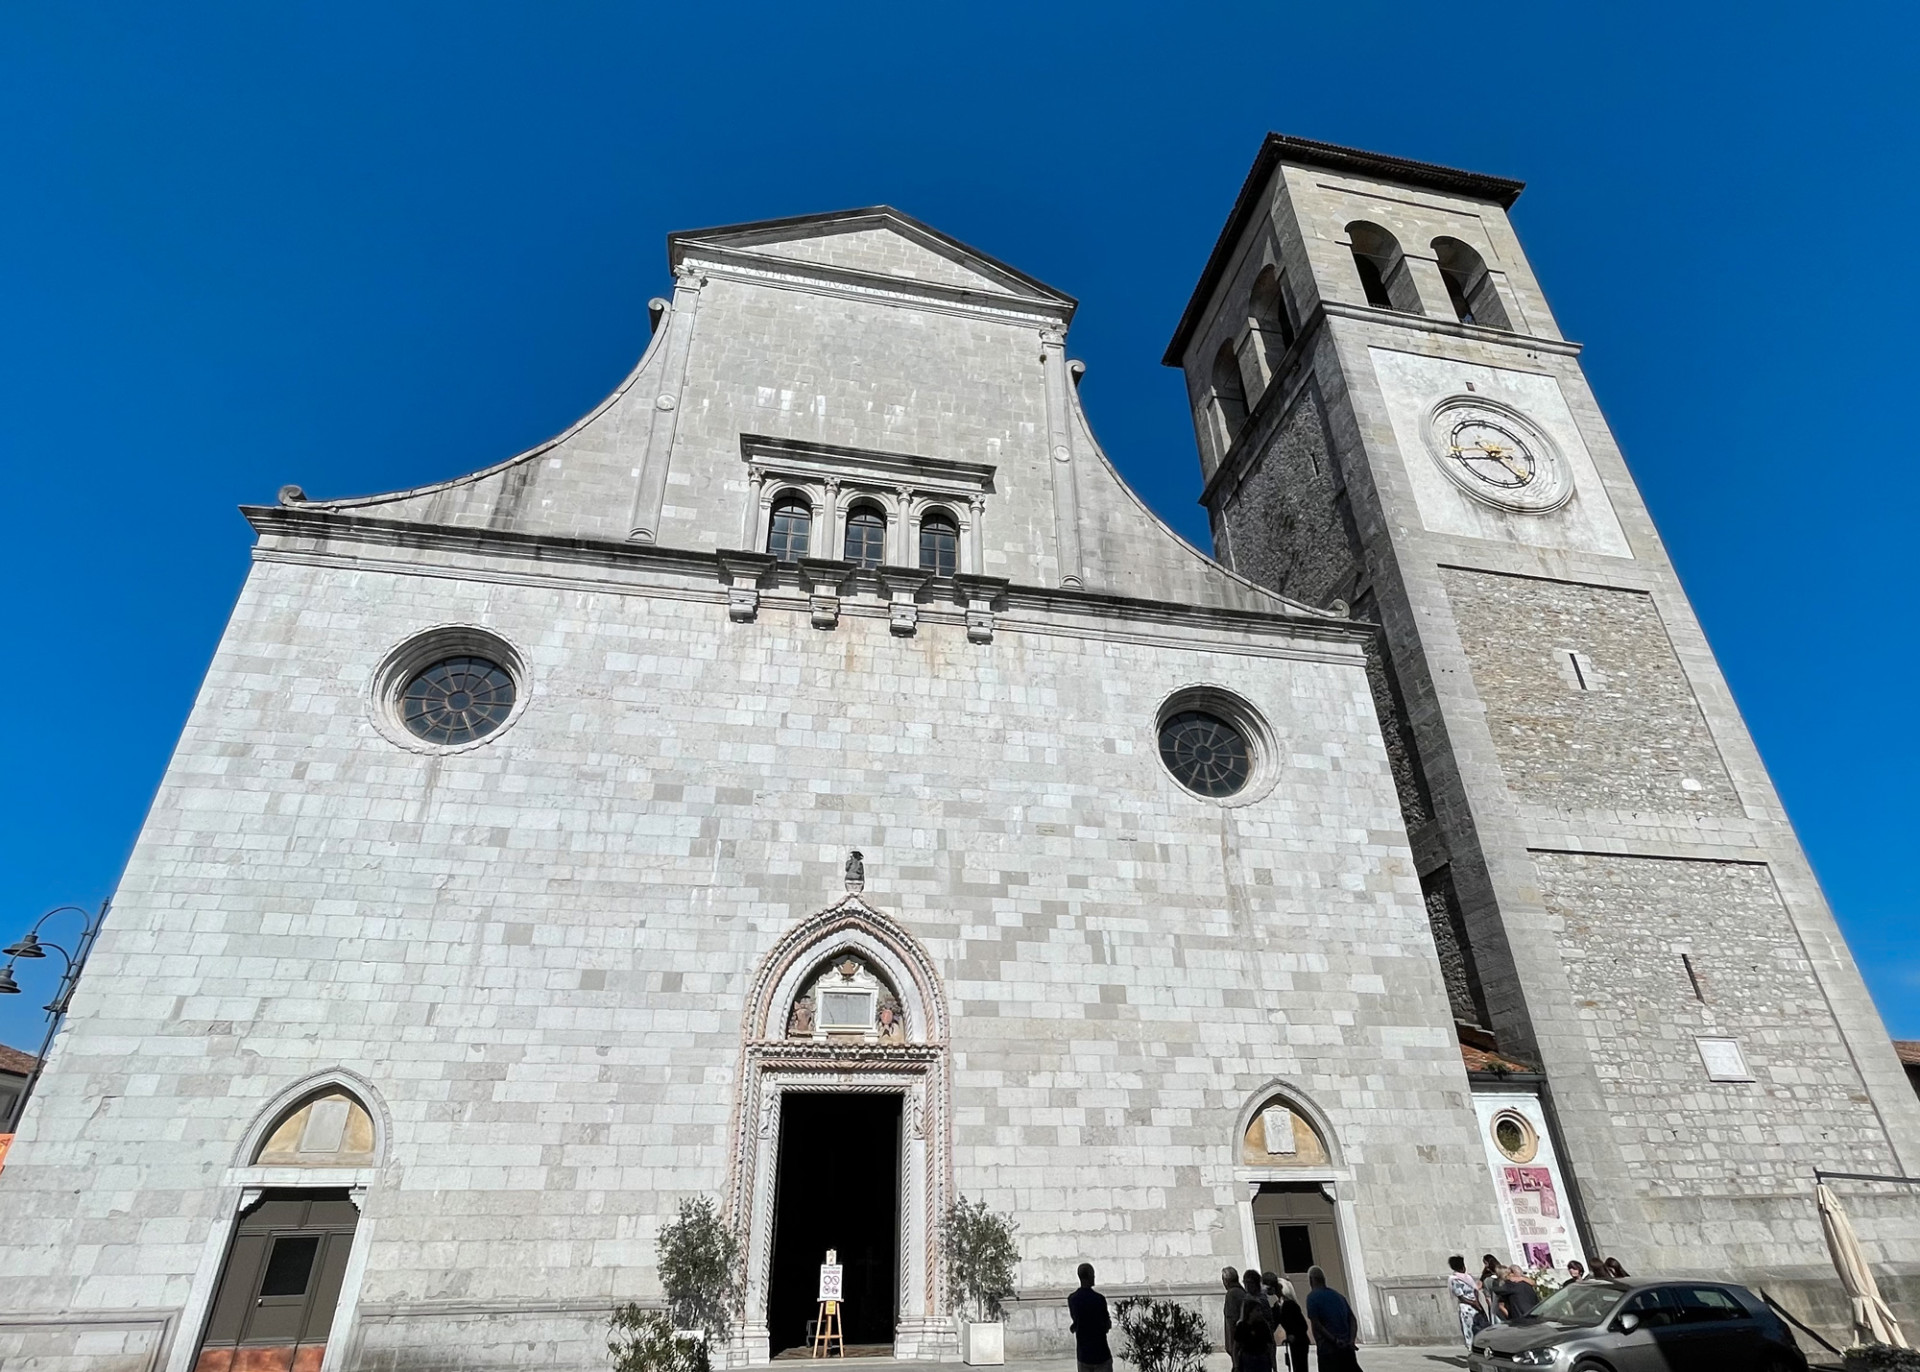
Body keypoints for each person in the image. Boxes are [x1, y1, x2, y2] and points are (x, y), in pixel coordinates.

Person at [1304, 1266, 1362, 1372]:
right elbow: (1352, 1319)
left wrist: (1334, 1340)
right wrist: (1351, 1340)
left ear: (1311, 1280)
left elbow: (1317, 1325)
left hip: (1328, 1350)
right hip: (1347, 1349)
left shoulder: (1312, 1298)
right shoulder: (1339, 1296)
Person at [1067, 1263, 1112, 1372]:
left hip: (1083, 1354)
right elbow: (1106, 1324)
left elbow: (1076, 1319)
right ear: (1090, 1276)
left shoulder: (1072, 1299)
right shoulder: (1099, 1299)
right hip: (1101, 1352)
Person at [1270, 1274, 1309, 1372]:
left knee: (1300, 1366)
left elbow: (1303, 1325)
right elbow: (1275, 1321)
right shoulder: (1277, 1306)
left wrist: (1293, 1335)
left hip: (1300, 1340)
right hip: (1293, 1340)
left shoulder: (1291, 1305)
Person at [1446, 1255, 1486, 1346]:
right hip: (1467, 1307)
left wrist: (1477, 1301)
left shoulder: (1468, 1277)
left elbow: (1475, 1289)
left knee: (1481, 1326)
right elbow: (1461, 1296)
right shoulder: (1455, 1280)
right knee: (1469, 1328)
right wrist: (1473, 1303)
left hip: (1476, 1305)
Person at [1233, 1298, 1276, 1372]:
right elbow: (1236, 1346)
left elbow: (1270, 1346)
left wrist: (1274, 1365)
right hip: (1247, 1358)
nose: (1260, 1313)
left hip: (1262, 1357)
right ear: (1250, 1312)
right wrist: (1236, 1366)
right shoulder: (1242, 1326)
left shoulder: (1263, 1325)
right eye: (1257, 1310)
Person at [1221, 1266, 1246, 1359]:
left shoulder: (1232, 1294)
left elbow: (1232, 1320)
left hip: (1238, 1343)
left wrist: (1233, 1347)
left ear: (1226, 1281)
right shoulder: (1241, 1291)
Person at [1478, 1255, 1504, 1327]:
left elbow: (1487, 1297)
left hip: (1495, 1305)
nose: (1485, 1266)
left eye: (1485, 1263)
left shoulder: (1487, 1279)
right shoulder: (1502, 1273)